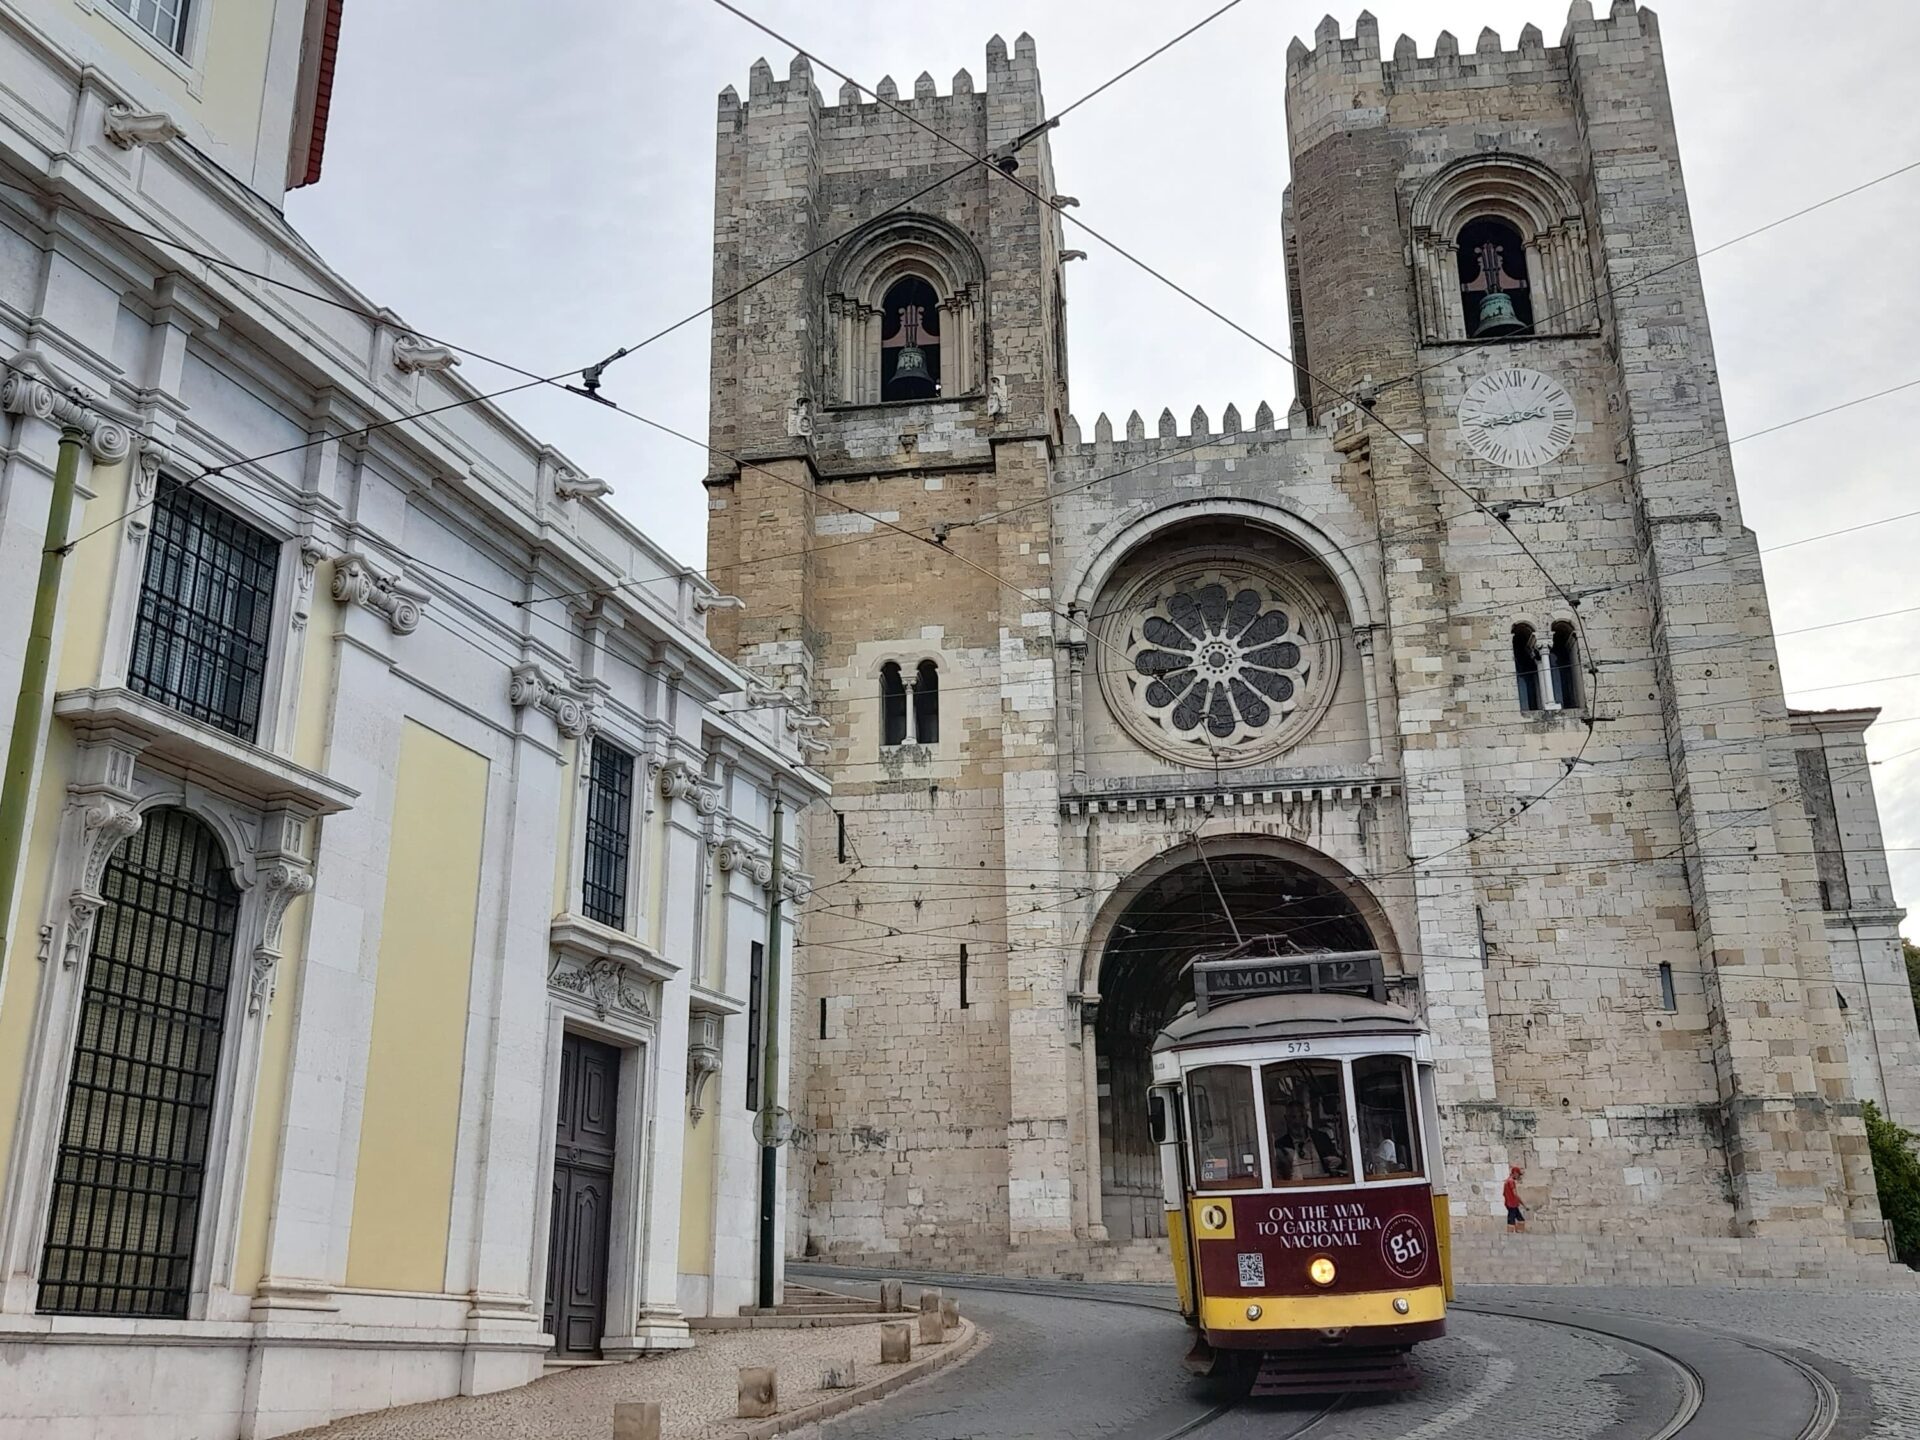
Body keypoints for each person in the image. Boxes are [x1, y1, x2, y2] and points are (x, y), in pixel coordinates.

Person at [1503, 1165, 1527, 1232]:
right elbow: (1515, 1194)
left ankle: (1519, 1235)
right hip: (1512, 1204)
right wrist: (1523, 1204)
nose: (1519, 1176)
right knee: (1511, 1222)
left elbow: (1504, 1194)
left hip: (1511, 1204)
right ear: (1515, 1173)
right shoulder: (1511, 1182)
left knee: (1521, 1220)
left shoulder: (1507, 1181)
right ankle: (1510, 1237)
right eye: (1518, 1174)